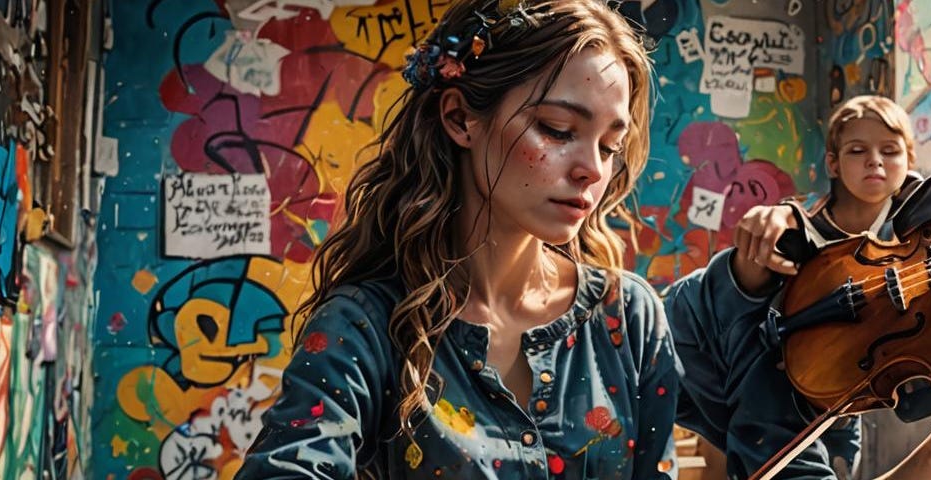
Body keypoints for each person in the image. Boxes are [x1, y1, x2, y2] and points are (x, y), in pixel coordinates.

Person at [234, 1, 680, 478]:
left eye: (610, 145)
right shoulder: (365, 328)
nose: (593, 169)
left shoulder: (627, 316)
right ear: (460, 118)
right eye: (558, 129)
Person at [667, 95, 931, 479]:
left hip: (840, 384)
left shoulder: (922, 225)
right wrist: (776, 224)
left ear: (909, 160)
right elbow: (745, 293)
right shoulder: (796, 226)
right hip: (758, 362)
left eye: (889, 151)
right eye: (857, 151)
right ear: (833, 164)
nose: (874, 160)